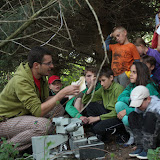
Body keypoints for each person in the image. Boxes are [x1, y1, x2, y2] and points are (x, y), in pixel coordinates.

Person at [0, 46, 79, 152]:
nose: (52, 66)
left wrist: (66, 95)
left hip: (23, 114)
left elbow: (45, 100)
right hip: (5, 121)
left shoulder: (41, 77)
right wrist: (60, 94)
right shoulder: (21, 80)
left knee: (58, 108)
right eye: (48, 63)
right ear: (36, 65)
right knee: (43, 126)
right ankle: (5, 148)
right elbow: (38, 111)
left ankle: (43, 138)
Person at [115, 62, 160, 146]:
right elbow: (120, 97)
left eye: (134, 72)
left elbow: (149, 107)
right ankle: (133, 136)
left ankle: (145, 140)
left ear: (141, 73)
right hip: (138, 111)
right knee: (119, 104)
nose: (130, 75)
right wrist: (133, 100)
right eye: (130, 71)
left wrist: (128, 110)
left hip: (151, 116)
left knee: (127, 117)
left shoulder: (148, 87)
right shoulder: (132, 85)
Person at [82, 68, 124, 142]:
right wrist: (91, 86)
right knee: (90, 105)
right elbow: (86, 101)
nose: (101, 84)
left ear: (111, 78)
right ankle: (99, 131)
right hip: (107, 114)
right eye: (100, 81)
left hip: (117, 116)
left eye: (103, 80)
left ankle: (117, 133)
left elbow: (117, 112)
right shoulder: (103, 89)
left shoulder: (118, 89)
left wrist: (97, 118)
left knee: (97, 128)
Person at [128, 86, 160, 159]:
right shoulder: (140, 108)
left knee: (150, 116)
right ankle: (140, 145)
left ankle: (148, 148)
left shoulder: (157, 106)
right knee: (132, 115)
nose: (138, 107)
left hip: (156, 136)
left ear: (148, 99)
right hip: (147, 135)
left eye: (139, 104)